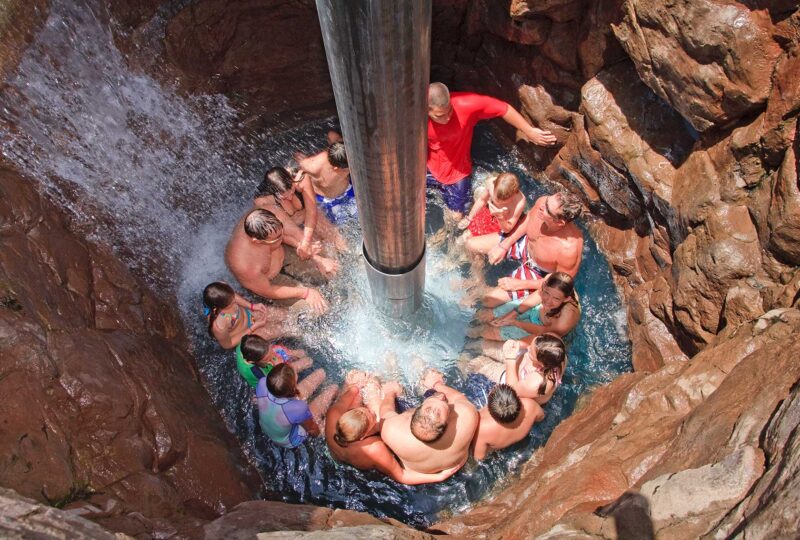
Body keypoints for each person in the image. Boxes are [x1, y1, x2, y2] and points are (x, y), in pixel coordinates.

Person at [426, 82, 556, 219]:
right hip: (429, 167)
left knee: (456, 217)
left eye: (449, 111)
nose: (447, 118)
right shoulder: (416, 118)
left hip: (458, 172)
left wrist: (529, 131)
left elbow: (503, 108)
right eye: (439, 116)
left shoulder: (465, 104)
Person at [325, 371, 460, 484]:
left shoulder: (333, 416)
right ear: (364, 435)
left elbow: (350, 393)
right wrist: (439, 477)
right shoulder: (374, 449)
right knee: (377, 398)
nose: (371, 412)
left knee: (361, 380)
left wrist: (357, 385)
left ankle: (368, 386)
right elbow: (401, 475)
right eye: (372, 417)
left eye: (365, 410)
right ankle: (383, 386)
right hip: (361, 461)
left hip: (338, 455)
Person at [483, 192, 584, 307]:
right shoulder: (543, 202)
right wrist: (504, 245)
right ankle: (477, 280)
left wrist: (520, 284)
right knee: (471, 245)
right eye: (546, 201)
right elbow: (528, 220)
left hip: (539, 271)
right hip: (525, 243)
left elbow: (557, 284)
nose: (542, 206)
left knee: (488, 301)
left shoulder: (569, 249)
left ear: (559, 222)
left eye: (547, 209)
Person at [225, 208, 329, 314]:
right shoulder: (243, 263)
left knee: (329, 271)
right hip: (271, 282)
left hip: (285, 253)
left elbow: (295, 234)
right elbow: (268, 290)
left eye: (281, 231)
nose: (282, 237)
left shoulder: (270, 216)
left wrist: (317, 258)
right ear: (257, 241)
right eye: (277, 238)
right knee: (316, 308)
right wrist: (306, 293)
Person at [380, 369, 479, 476]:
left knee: (382, 388)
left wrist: (390, 392)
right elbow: (458, 398)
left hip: (419, 470)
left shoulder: (392, 431)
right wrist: (436, 384)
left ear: (413, 412)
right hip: (452, 464)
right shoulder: (466, 417)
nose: (441, 396)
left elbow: (386, 411)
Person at [475, 272, 581, 342]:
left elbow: (543, 331)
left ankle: (473, 336)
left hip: (542, 327)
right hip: (537, 309)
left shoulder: (565, 318)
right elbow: (537, 295)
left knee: (490, 333)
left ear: (566, 299)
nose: (548, 301)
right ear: (544, 286)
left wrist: (515, 322)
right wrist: (511, 315)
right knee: (486, 315)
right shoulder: (552, 279)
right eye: (546, 293)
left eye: (556, 299)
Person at [466, 334, 567, 405]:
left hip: (511, 379)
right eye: (531, 346)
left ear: (542, 364)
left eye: (531, 353)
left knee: (474, 363)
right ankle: (467, 344)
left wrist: (510, 359)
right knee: (483, 344)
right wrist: (519, 344)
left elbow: (511, 390)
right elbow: (530, 347)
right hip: (517, 361)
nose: (528, 350)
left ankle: (461, 361)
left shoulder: (536, 383)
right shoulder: (556, 352)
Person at [256, 363, 337, 448]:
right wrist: (319, 431)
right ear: (293, 386)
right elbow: (312, 429)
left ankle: (324, 374)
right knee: (333, 389)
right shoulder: (299, 408)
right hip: (289, 440)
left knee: (321, 373)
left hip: (269, 428)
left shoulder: (262, 382)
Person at [458, 172, 527, 256]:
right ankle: (451, 261)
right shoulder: (491, 183)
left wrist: (500, 217)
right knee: (463, 238)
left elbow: (507, 229)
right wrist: (470, 217)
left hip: (501, 224)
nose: (498, 202)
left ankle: (476, 266)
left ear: (513, 195)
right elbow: (482, 200)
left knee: (477, 256)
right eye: (495, 198)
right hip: (487, 214)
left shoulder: (519, 202)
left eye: (503, 201)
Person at [202, 282, 285, 349]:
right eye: (230, 305)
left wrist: (251, 306)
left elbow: (233, 296)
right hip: (246, 335)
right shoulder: (219, 326)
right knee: (282, 329)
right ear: (216, 309)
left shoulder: (222, 288)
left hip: (249, 314)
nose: (235, 305)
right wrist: (253, 328)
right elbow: (228, 344)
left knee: (282, 314)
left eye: (234, 301)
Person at [471, 384, 544, 460]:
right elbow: (541, 417)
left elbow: (479, 457)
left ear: (490, 410)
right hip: (522, 441)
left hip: (499, 449)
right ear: (517, 399)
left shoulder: (482, 429)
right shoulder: (530, 406)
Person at [295, 142, 358, 225]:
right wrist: (298, 175)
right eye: (347, 168)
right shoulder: (314, 166)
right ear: (336, 168)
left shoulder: (344, 154)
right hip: (325, 201)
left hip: (349, 190)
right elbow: (299, 158)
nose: (352, 168)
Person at [236, 334, 313, 389]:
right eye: (267, 358)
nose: (273, 354)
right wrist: (279, 367)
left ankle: (304, 353)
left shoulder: (245, 344)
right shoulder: (257, 372)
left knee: (300, 352)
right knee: (307, 362)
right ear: (252, 361)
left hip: (265, 364)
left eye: (270, 350)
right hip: (269, 378)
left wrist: (275, 352)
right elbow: (274, 382)